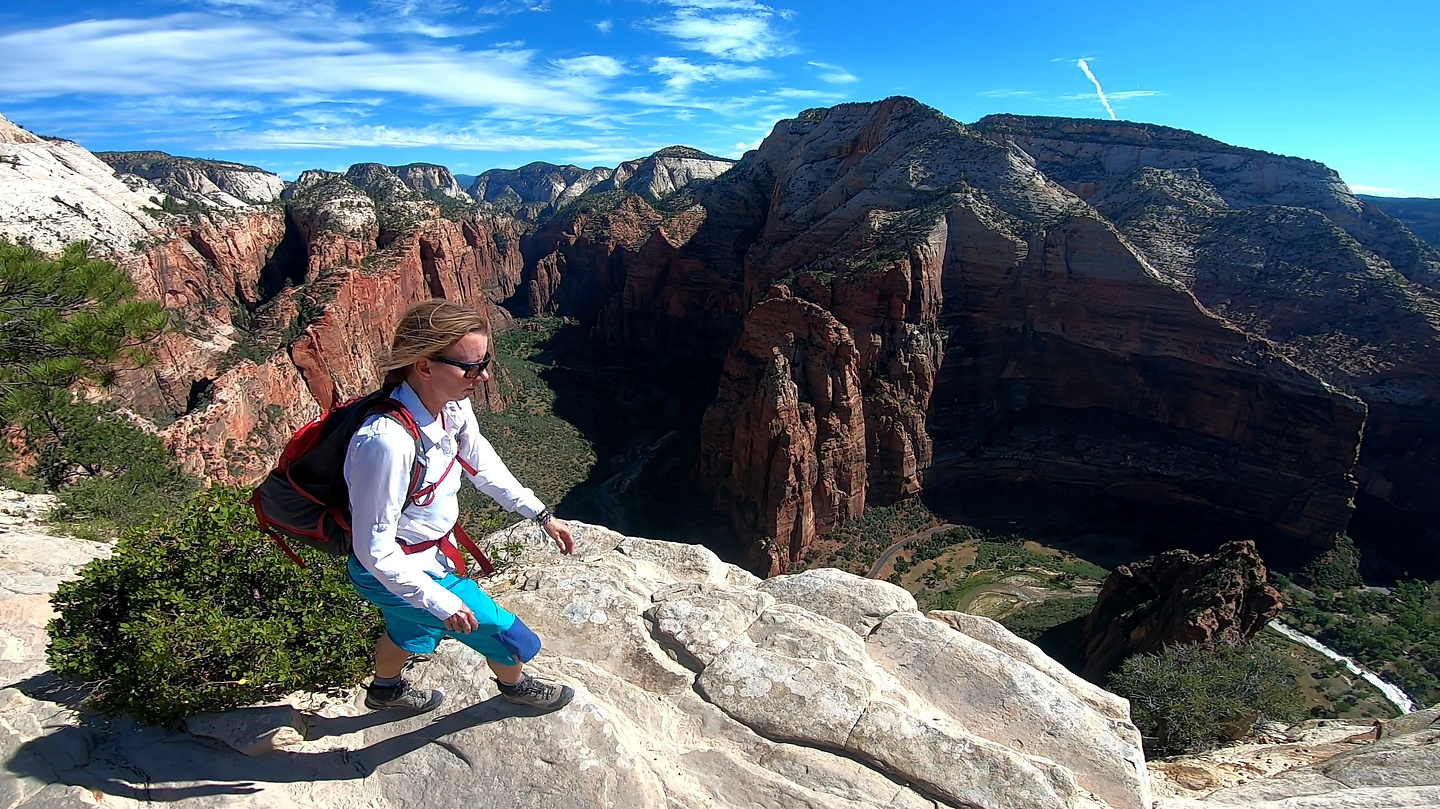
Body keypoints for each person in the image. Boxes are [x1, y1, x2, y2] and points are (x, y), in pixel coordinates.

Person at [345, 298, 576, 714]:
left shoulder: (452, 407)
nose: (484, 376)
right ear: (425, 366)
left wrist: (540, 514)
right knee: (508, 635)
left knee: (406, 628)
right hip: (397, 569)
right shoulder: (386, 443)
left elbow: (482, 465)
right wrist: (441, 601)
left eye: (485, 361)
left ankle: (385, 690)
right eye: (470, 367)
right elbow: (374, 548)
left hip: (430, 558)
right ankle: (515, 687)